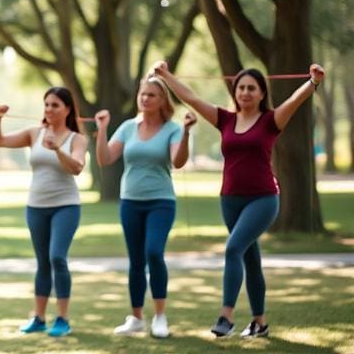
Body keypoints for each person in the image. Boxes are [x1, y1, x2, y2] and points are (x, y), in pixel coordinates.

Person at [153, 61, 326, 338]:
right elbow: (191, 98)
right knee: (250, 259)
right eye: (241, 87)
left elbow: (296, 99)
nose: (245, 92)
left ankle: (226, 316)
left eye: (251, 88)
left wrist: (313, 81)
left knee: (233, 248)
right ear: (235, 92)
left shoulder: (271, 121)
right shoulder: (226, 120)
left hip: (264, 199)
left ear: (261, 93)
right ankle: (260, 322)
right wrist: (165, 75)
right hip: (230, 199)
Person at [94, 76, 197, 339]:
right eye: (143, 94)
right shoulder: (128, 127)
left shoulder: (172, 129)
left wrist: (186, 132)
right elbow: (105, 159)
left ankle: (160, 316)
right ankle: (137, 317)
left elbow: (179, 161)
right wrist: (102, 129)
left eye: (151, 95)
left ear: (162, 100)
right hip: (130, 201)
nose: (145, 98)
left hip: (161, 201)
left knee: (153, 253)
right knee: (136, 260)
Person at [0, 87, 88, 338]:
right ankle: (39, 317)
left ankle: (63, 319)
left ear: (67, 109)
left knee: (57, 257)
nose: (49, 109)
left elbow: (77, 167)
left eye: (55, 105)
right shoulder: (35, 133)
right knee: (43, 261)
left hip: (66, 205)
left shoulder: (77, 138)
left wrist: (57, 149)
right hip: (36, 206)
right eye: (46, 104)